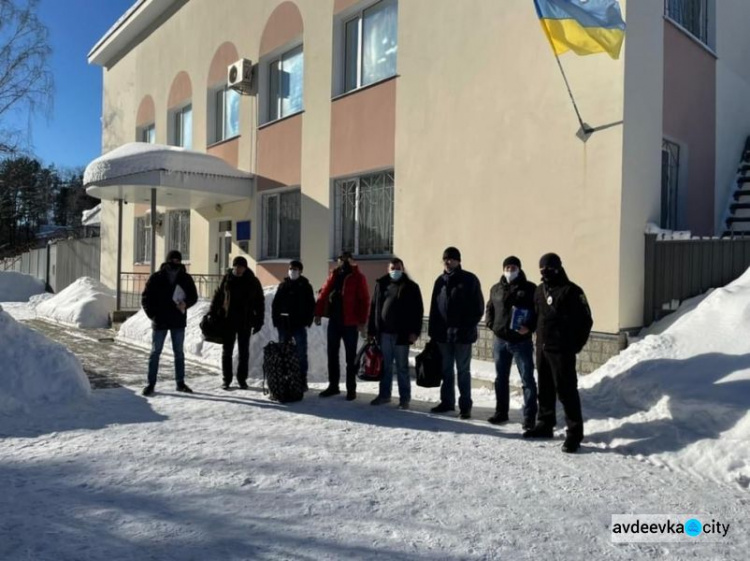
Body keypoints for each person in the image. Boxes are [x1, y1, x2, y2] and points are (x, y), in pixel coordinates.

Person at [524, 252, 593, 454]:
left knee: (566, 391)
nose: (545, 272)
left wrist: (574, 345)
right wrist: (527, 327)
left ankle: (574, 433)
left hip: (562, 351)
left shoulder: (572, 291)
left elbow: (586, 321)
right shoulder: (539, 291)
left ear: (559, 267)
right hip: (542, 349)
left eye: (549, 268)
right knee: (544, 389)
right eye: (542, 269)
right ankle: (545, 424)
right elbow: (536, 316)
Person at [427, 246, 484, 419]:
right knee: (446, 370)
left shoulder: (469, 279)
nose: (448, 261)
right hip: (443, 336)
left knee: (463, 371)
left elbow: (478, 307)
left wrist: (466, 326)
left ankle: (465, 406)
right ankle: (447, 402)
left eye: (451, 258)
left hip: (462, 336)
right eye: (445, 258)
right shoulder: (440, 281)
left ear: (459, 261)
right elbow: (434, 308)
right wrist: (432, 332)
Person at [485, 256, 538, 430]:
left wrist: (529, 328)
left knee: (527, 380)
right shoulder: (496, 288)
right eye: (507, 267)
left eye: (513, 267)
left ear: (519, 269)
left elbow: (538, 313)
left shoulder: (530, 289)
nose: (510, 269)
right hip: (500, 341)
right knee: (501, 379)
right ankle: (501, 412)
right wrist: (492, 326)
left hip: (521, 342)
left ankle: (530, 417)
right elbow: (490, 309)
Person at [367, 258, 424, 410]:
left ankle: (404, 399)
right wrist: (371, 330)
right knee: (385, 366)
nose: (395, 271)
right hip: (384, 333)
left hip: (402, 335)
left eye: (398, 268)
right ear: (388, 269)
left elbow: (418, 311)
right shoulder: (381, 284)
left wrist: (415, 332)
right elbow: (374, 308)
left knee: (402, 367)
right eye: (393, 268)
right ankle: (384, 395)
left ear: (403, 269)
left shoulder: (411, 287)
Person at [141, 249, 198, 396]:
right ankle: (150, 384)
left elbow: (193, 296)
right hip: (160, 321)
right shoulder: (157, 277)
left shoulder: (185, 278)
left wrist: (185, 303)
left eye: (178, 261)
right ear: (167, 262)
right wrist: (153, 315)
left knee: (179, 353)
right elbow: (146, 298)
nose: (176, 264)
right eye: (173, 261)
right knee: (155, 353)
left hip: (178, 320)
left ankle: (180, 383)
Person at [314, 251, 370, 400]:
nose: (343, 262)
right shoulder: (334, 274)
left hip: (350, 323)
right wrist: (318, 313)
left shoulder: (358, 277)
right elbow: (323, 293)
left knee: (350, 358)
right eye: (341, 259)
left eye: (347, 259)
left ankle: (351, 389)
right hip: (334, 320)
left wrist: (362, 321)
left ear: (352, 260)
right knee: (332, 354)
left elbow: (364, 299)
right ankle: (333, 386)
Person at [210, 256, 265, 390]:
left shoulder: (252, 281)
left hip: (245, 321)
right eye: (237, 267)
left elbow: (260, 302)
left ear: (245, 268)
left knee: (243, 352)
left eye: (241, 267)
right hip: (228, 320)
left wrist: (259, 320)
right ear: (233, 267)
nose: (239, 269)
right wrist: (212, 312)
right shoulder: (227, 279)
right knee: (227, 351)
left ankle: (242, 379)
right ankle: (226, 379)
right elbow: (218, 296)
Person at [272, 260, 315, 390]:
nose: (292, 271)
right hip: (284, 325)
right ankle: (284, 378)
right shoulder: (283, 285)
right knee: (283, 352)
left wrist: (308, 320)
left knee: (301, 353)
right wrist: (276, 321)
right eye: (291, 269)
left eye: (295, 269)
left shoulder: (305, 286)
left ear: (300, 271)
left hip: (299, 325)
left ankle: (302, 380)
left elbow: (311, 305)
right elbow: (275, 305)